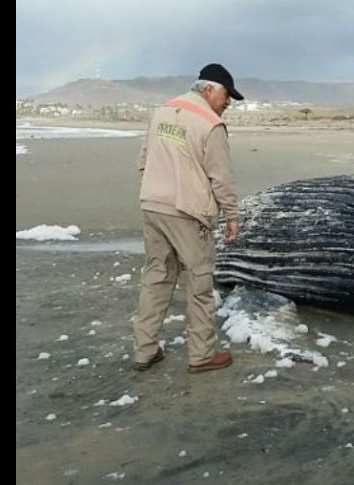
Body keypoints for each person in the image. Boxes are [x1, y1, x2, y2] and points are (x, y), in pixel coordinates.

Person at [132, 63, 244, 373]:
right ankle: (202, 354)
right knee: (199, 282)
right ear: (208, 90)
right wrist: (232, 216)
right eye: (226, 95)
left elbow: (143, 161)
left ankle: (145, 350)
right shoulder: (210, 124)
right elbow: (221, 177)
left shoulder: (162, 112)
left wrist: (156, 191)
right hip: (188, 213)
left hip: (152, 206)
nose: (228, 103)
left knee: (156, 276)